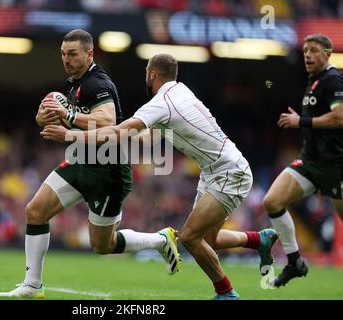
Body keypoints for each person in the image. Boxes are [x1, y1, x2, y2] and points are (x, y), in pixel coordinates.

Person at [42, 53, 279, 300]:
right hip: (217, 169)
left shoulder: (160, 103)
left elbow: (121, 132)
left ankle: (227, 293)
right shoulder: (180, 92)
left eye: (146, 72)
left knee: (189, 238)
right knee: (207, 239)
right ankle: (258, 240)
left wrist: (69, 131)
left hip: (228, 171)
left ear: (152, 74)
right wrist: (123, 137)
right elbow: (149, 136)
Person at [0, 30, 181, 298]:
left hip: (108, 172)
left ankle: (160, 240)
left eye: (72, 54)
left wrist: (68, 114)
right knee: (35, 211)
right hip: (80, 162)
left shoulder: (98, 84)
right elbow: (67, 119)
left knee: (102, 245)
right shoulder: (74, 84)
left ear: (89, 54)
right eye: (63, 54)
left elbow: (107, 122)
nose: (66, 59)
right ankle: (32, 285)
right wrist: (43, 117)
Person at [262, 33, 343, 287]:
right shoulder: (314, 80)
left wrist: (302, 121)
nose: (307, 54)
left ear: (328, 53)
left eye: (314, 50)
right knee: (272, 201)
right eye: (305, 50)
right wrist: (303, 120)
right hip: (310, 162)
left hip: (335, 166)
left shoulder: (333, 79)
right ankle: (295, 262)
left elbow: (341, 117)